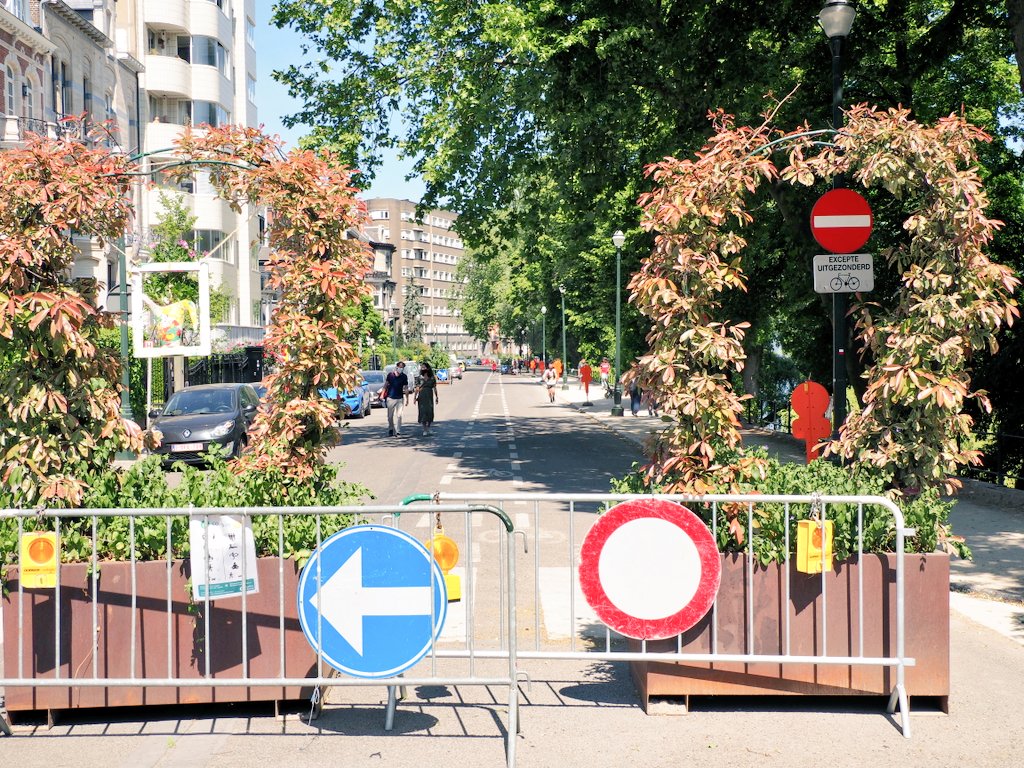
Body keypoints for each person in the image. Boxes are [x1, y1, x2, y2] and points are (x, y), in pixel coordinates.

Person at [384, 361, 409, 437]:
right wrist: (382, 394)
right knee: (390, 416)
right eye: (400, 367)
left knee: (399, 415)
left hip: (399, 398)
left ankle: (398, 430)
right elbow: (386, 385)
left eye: (402, 367)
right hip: (390, 397)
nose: (401, 369)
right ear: (397, 367)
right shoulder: (390, 375)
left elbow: (406, 388)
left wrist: (407, 398)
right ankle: (391, 428)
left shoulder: (404, 376)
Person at [414, 362, 439, 435]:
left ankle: (428, 427)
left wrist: (437, 397)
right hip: (422, 396)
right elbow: (417, 388)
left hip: (429, 396)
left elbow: (434, 387)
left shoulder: (432, 377)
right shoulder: (419, 377)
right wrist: (415, 397)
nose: (423, 368)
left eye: (424, 367)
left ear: (428, 368)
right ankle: (424, 429)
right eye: (422, 367)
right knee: (423, 412)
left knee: (430, 411)